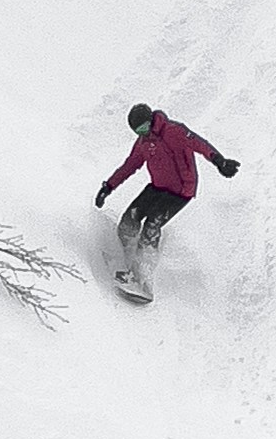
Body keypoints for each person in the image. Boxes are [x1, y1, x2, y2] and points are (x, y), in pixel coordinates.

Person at [95, 101, 238, 299]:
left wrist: (220, 161)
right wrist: (108, 187)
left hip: (180, 192)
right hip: (157, 188)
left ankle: (144, 281)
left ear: (151, 120)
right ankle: (127, 260)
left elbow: (199, 144)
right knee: (129, 219)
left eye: (144, 128)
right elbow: (129, 166)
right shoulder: (143, 143)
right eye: (138, 131)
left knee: (151, 226)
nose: (143, 133)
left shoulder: (173, 131)